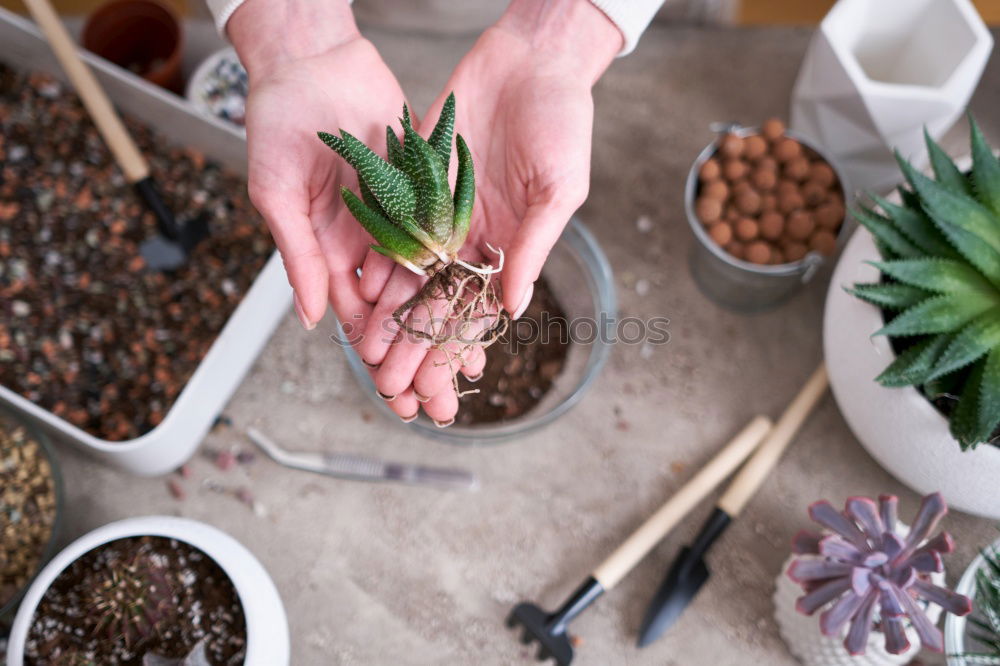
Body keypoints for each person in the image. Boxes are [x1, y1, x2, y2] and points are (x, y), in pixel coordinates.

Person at [208, 0, 662, 426]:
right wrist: (287, 25)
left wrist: (565, 26)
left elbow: (440, 167)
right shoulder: (433, 220)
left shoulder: (430, 218)